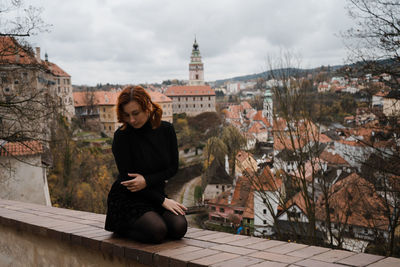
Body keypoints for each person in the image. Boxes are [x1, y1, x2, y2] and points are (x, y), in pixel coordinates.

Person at [105, 85, 187, 243]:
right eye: (127, 115)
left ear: (147, 107)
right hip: (128, 198)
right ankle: (121, 226)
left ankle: (149, 221)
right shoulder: (121, 136)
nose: (131, 120)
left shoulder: (166, 130)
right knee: (157, 231)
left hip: (154, 193)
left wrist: (147, 181)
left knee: (179, 227)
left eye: (135, 113)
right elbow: (129, 181)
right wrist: (163, 201)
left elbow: (172, 168)